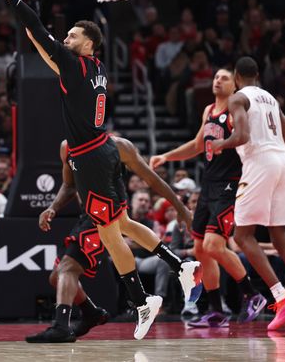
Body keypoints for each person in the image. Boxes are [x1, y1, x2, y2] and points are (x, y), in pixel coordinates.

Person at [0, 0, 201, 340]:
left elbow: (36, 27)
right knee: (121, 224)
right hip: (100, 153)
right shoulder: (95, 68)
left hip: (90, 157)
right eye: (65, 35)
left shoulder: (73, 65)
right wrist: (40, 38)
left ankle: (142, 301)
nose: (66, 39)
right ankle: (176, 263)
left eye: (72, 35)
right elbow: (40, 40)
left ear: (88, 43)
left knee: (108, 234)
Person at [28, 137, 194, 343]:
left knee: (67, 269)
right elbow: (69, 185)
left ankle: (62, 325)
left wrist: (181, 208)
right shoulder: (67, 146)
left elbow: (153, 180)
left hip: (103, 214)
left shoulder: (116, 146)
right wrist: (53, 207)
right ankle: (92, 313)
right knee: (57, 277)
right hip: (88, 215)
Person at [151, 68, 267, 328]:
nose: (217, 80)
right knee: (201, 249)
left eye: (224, 77)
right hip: (208, 186)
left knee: (215, 246)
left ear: (235, 85)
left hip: (230, 184)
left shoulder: (238, 111)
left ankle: (252, 294)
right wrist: (166, 156)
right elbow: (196, 145)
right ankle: (216, 311)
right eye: (215, 77)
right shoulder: (208, 111)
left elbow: (249, 141)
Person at [211, 57, 285, 330]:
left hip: (260, 162)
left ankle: (282, 297)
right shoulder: (270, 98)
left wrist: (221, 142)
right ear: (257, 74)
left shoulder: (238, 98)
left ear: (237, 77)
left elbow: (241, 136)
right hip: (283, 163)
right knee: (280, 236)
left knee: (241, 235)